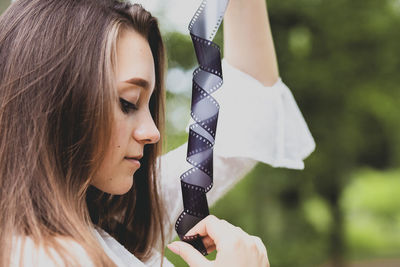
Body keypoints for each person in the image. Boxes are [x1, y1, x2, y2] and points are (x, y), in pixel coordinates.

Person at [0, 0, 315, 266]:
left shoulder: (112, 215)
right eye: (128, 103)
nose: (152, 132)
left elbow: (248, 120)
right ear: (54, 102)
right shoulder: (45, 256)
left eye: (149, 105)